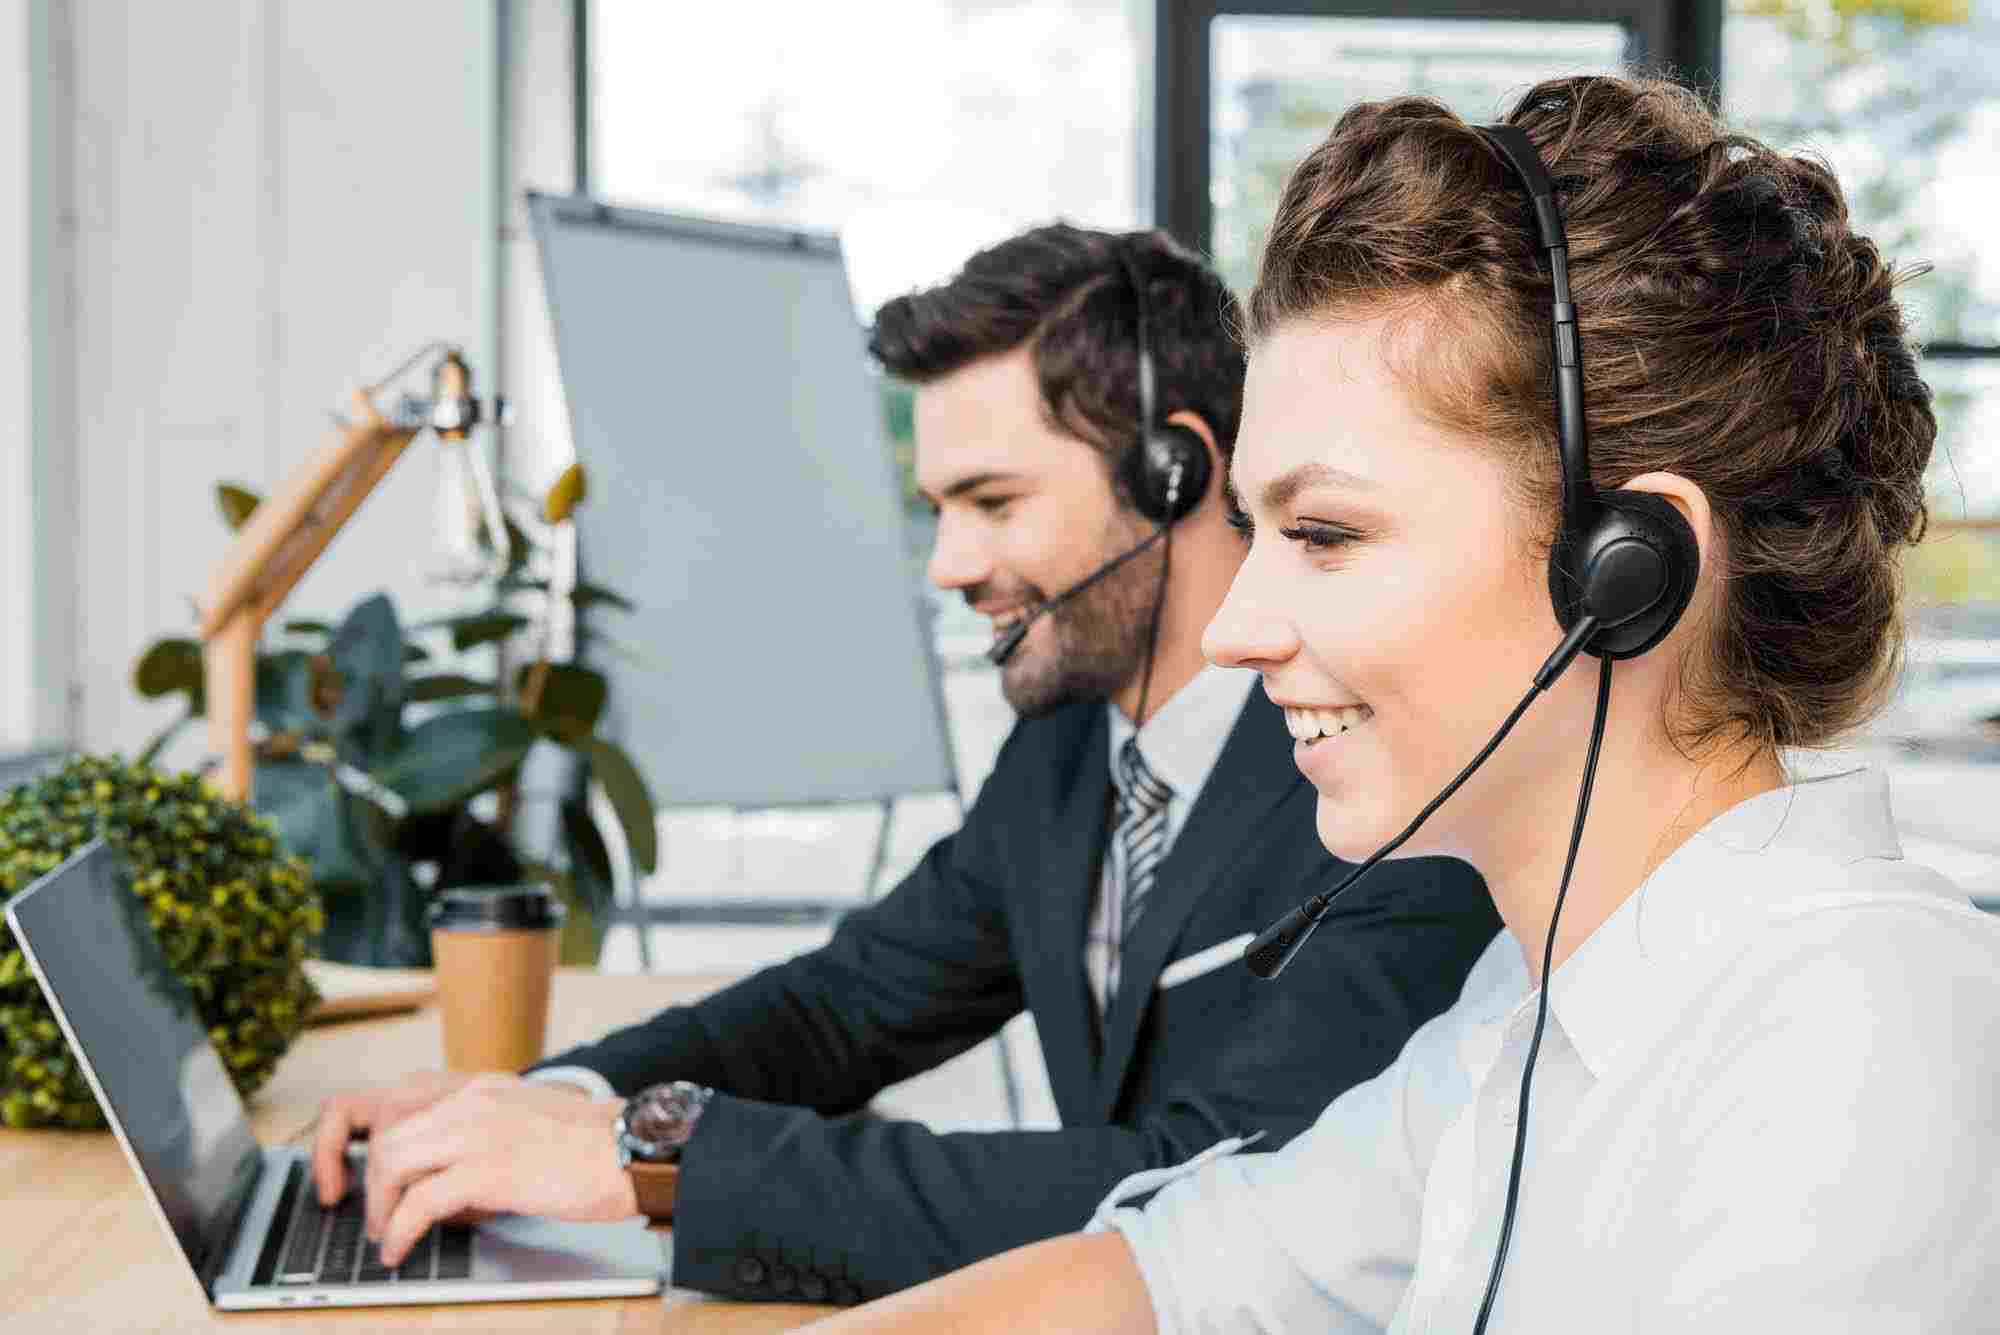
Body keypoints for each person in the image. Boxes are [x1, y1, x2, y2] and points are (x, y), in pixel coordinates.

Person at [802, 73, 2000, 1333]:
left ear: (1625, 570)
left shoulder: (1859, 1041)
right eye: (1250, 530)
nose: (1233, 628)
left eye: (1324, 534)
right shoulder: (1520, 1011)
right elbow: (1166, 1281)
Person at [306, 224, 1499, 1304]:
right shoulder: (1071, 747)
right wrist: (546, 1105)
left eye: (989, 502)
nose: (946, 563)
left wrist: (651, 1158)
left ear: (1174, 474)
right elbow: (846, 1006)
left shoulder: (1380, 772)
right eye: (935, 508)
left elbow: (1194, 1185)